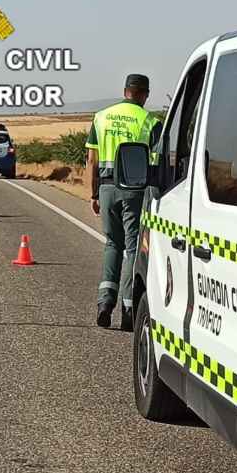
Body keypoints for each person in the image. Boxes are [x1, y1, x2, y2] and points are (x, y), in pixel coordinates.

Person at [86, 74, 162, 330]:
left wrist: (94, 193)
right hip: (134, 191)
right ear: (144, 94)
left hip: (106, 189)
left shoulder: (101, 117)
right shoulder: (150, 121)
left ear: (125, 91)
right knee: (132, 248)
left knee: (112, 245)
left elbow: (92, 160)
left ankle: (105, 303)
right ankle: (129, 308)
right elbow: (157, 163)